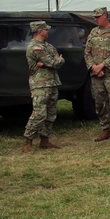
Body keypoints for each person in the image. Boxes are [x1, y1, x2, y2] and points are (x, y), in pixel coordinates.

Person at [84, 7, 110, 142]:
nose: (96, 19)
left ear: (105, 16)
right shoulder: (93, 32)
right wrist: (93, 67)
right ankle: (105, 129)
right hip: (96, 75)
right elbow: (87, 52)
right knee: (99, 103)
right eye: (94, 17)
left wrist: (103, 66)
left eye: (98, 17)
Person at [22, 21, 65, 153]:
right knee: (39, 114)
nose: (48, 31)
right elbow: (54, 61)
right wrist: (57, 60)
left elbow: (55, 61)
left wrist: (50, 62)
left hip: (52, 83)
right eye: (46, 29)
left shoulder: (48, 46)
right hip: (40, 85)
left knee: (51, 114)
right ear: (40, 31)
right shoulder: (34, 47)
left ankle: (44, 140)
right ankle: (28, 141)